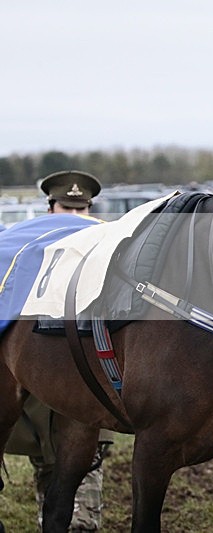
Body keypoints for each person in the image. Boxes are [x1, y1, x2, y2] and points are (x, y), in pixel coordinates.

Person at [5, 170, 112, 531]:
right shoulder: (24, 248)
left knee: (80, 518)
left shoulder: (105, 250)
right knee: (47, 474)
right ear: (50, 207)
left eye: (82, 210)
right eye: (67, 207)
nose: (75, 218)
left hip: (87, 399)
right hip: (34, 395)